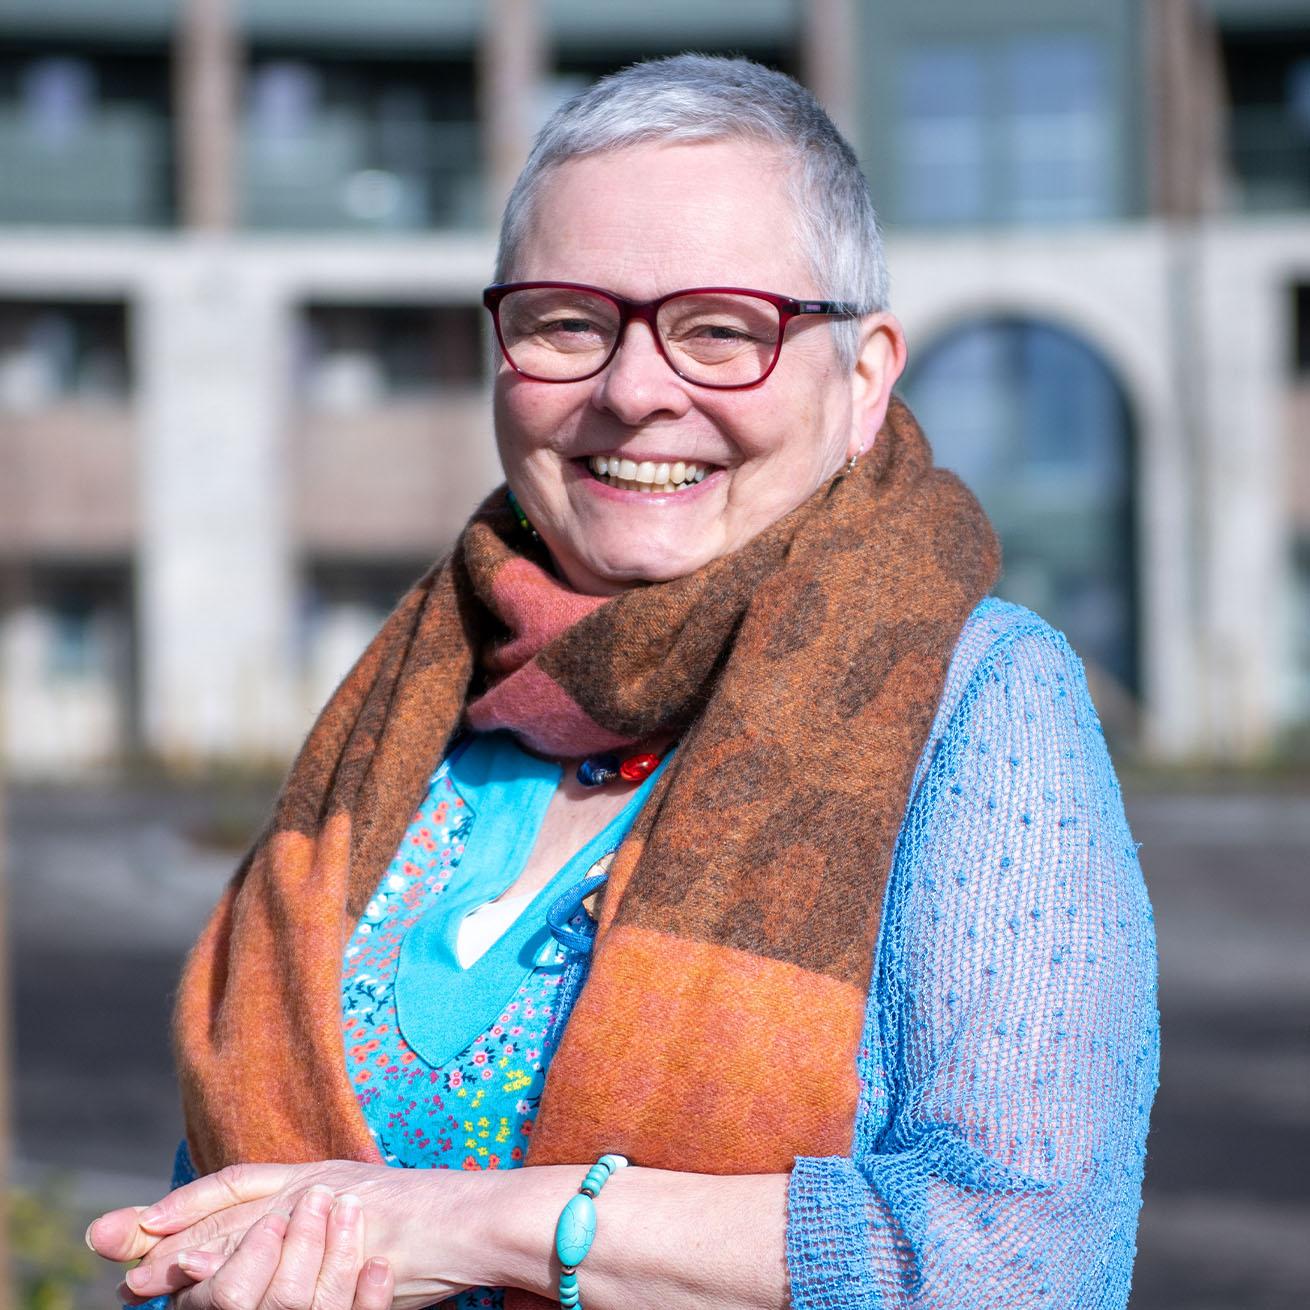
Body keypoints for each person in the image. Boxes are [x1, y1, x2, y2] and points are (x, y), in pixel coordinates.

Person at [87, 54, 1158, 1310]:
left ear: (863, 379)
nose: (634, 390)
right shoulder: (414, 715)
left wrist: (492, 1224)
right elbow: (220, 1193)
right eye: (566, 322)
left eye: (720, 329)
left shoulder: (974, 697)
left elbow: (1023, 1257)